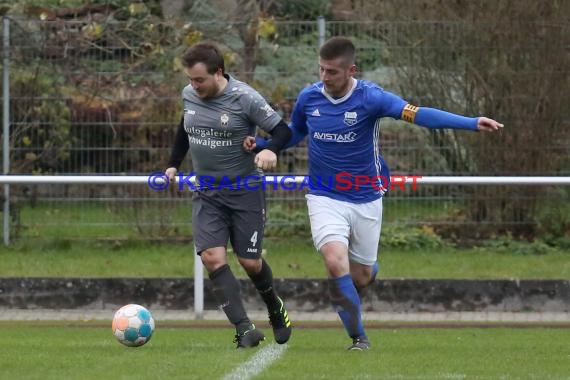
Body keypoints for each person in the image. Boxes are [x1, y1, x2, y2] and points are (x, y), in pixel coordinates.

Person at [247, 36, 504, 351]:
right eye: (321, 70)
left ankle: (359, 283)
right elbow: (297, 131)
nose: (324, 78)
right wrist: (262, 145)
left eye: (332, 72)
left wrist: (471, 123)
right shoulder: (310, 97)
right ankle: (359, 337)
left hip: (367, 197)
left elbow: (419, 114)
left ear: (351, 70)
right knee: (333, 260)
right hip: (324, 195)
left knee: (362, 275)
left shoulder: (373, 98)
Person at [165, 42, 293, 348]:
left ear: (218, 73)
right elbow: (185, 129)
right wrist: (171, 165)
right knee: (211, 257)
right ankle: (244, 328)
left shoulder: (244, 98)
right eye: (191, 80)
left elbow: (283, 132)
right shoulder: (188, 95)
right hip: (207, 192)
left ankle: (274, 307)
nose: (193, 87)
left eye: (200, 80)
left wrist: (269, 150)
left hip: (245, 192)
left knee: (250, 263)